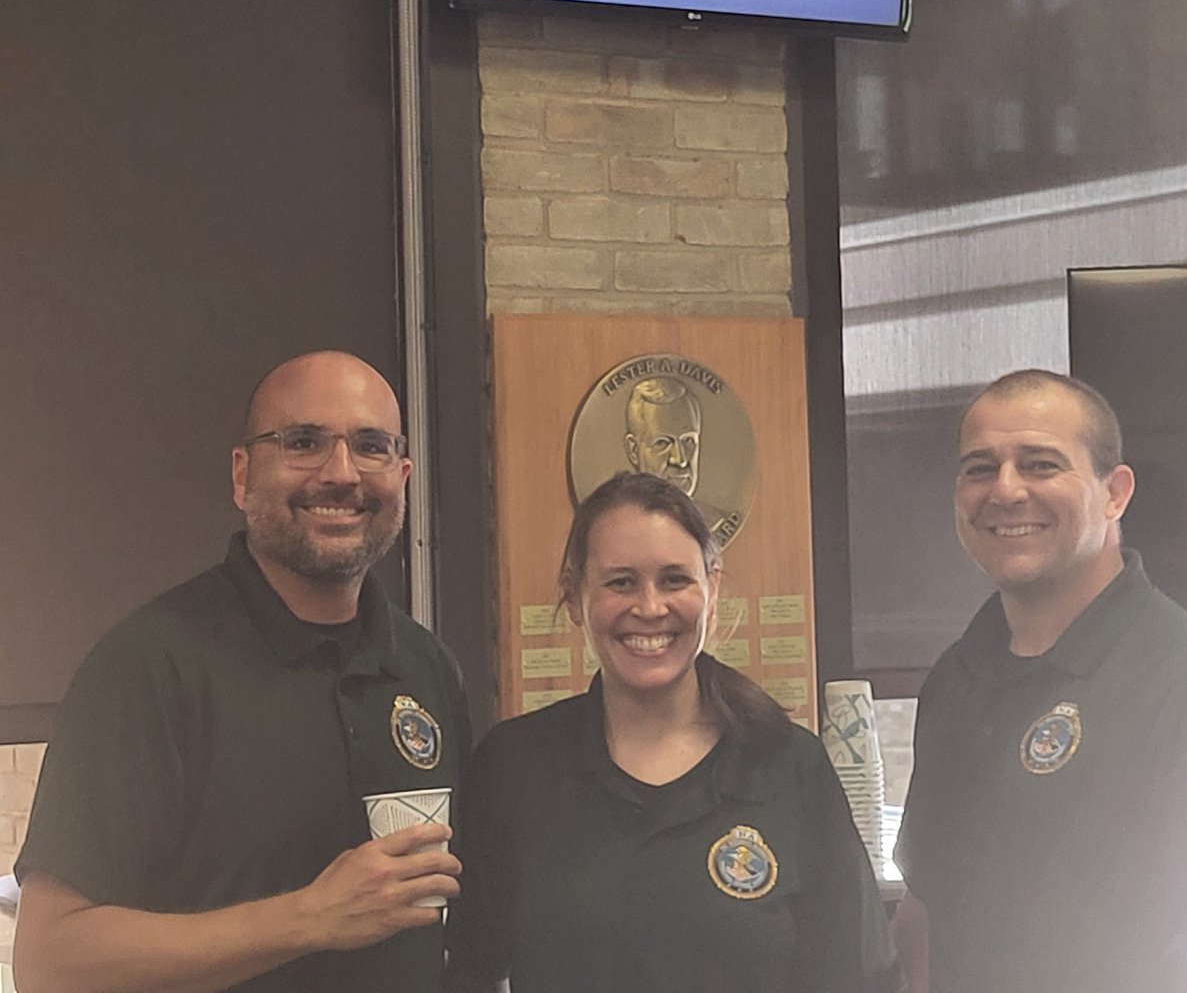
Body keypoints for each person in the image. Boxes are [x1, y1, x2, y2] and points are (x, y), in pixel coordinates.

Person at [14, 351, 471, 993]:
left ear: (401, 474)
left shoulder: (428, 670)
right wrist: (308, 918)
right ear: (242, 474)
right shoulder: (149, 669)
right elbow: (51, 963)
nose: (341, 473)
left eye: (369, 446)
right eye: (304, 442)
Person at [447, 471, 897, 993]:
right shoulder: (512, 767)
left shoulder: (788, 765)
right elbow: (472, 971)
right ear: (574, 597)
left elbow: (861, 979)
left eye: (675, 579)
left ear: (712, 589)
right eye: (620, 582)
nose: (650, 607)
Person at [893, 369, 1187, 993]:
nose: (1005, 491)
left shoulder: (1180, 674)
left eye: (1039, 464)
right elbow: (924, 906)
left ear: (1114, 493)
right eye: (980, 468)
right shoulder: (956, 678)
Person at [624, 377, 702, 495]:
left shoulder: (717, 514)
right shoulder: (614, 513)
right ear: (634, 450)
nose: (680, 461)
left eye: (688, 441)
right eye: (662, 443)